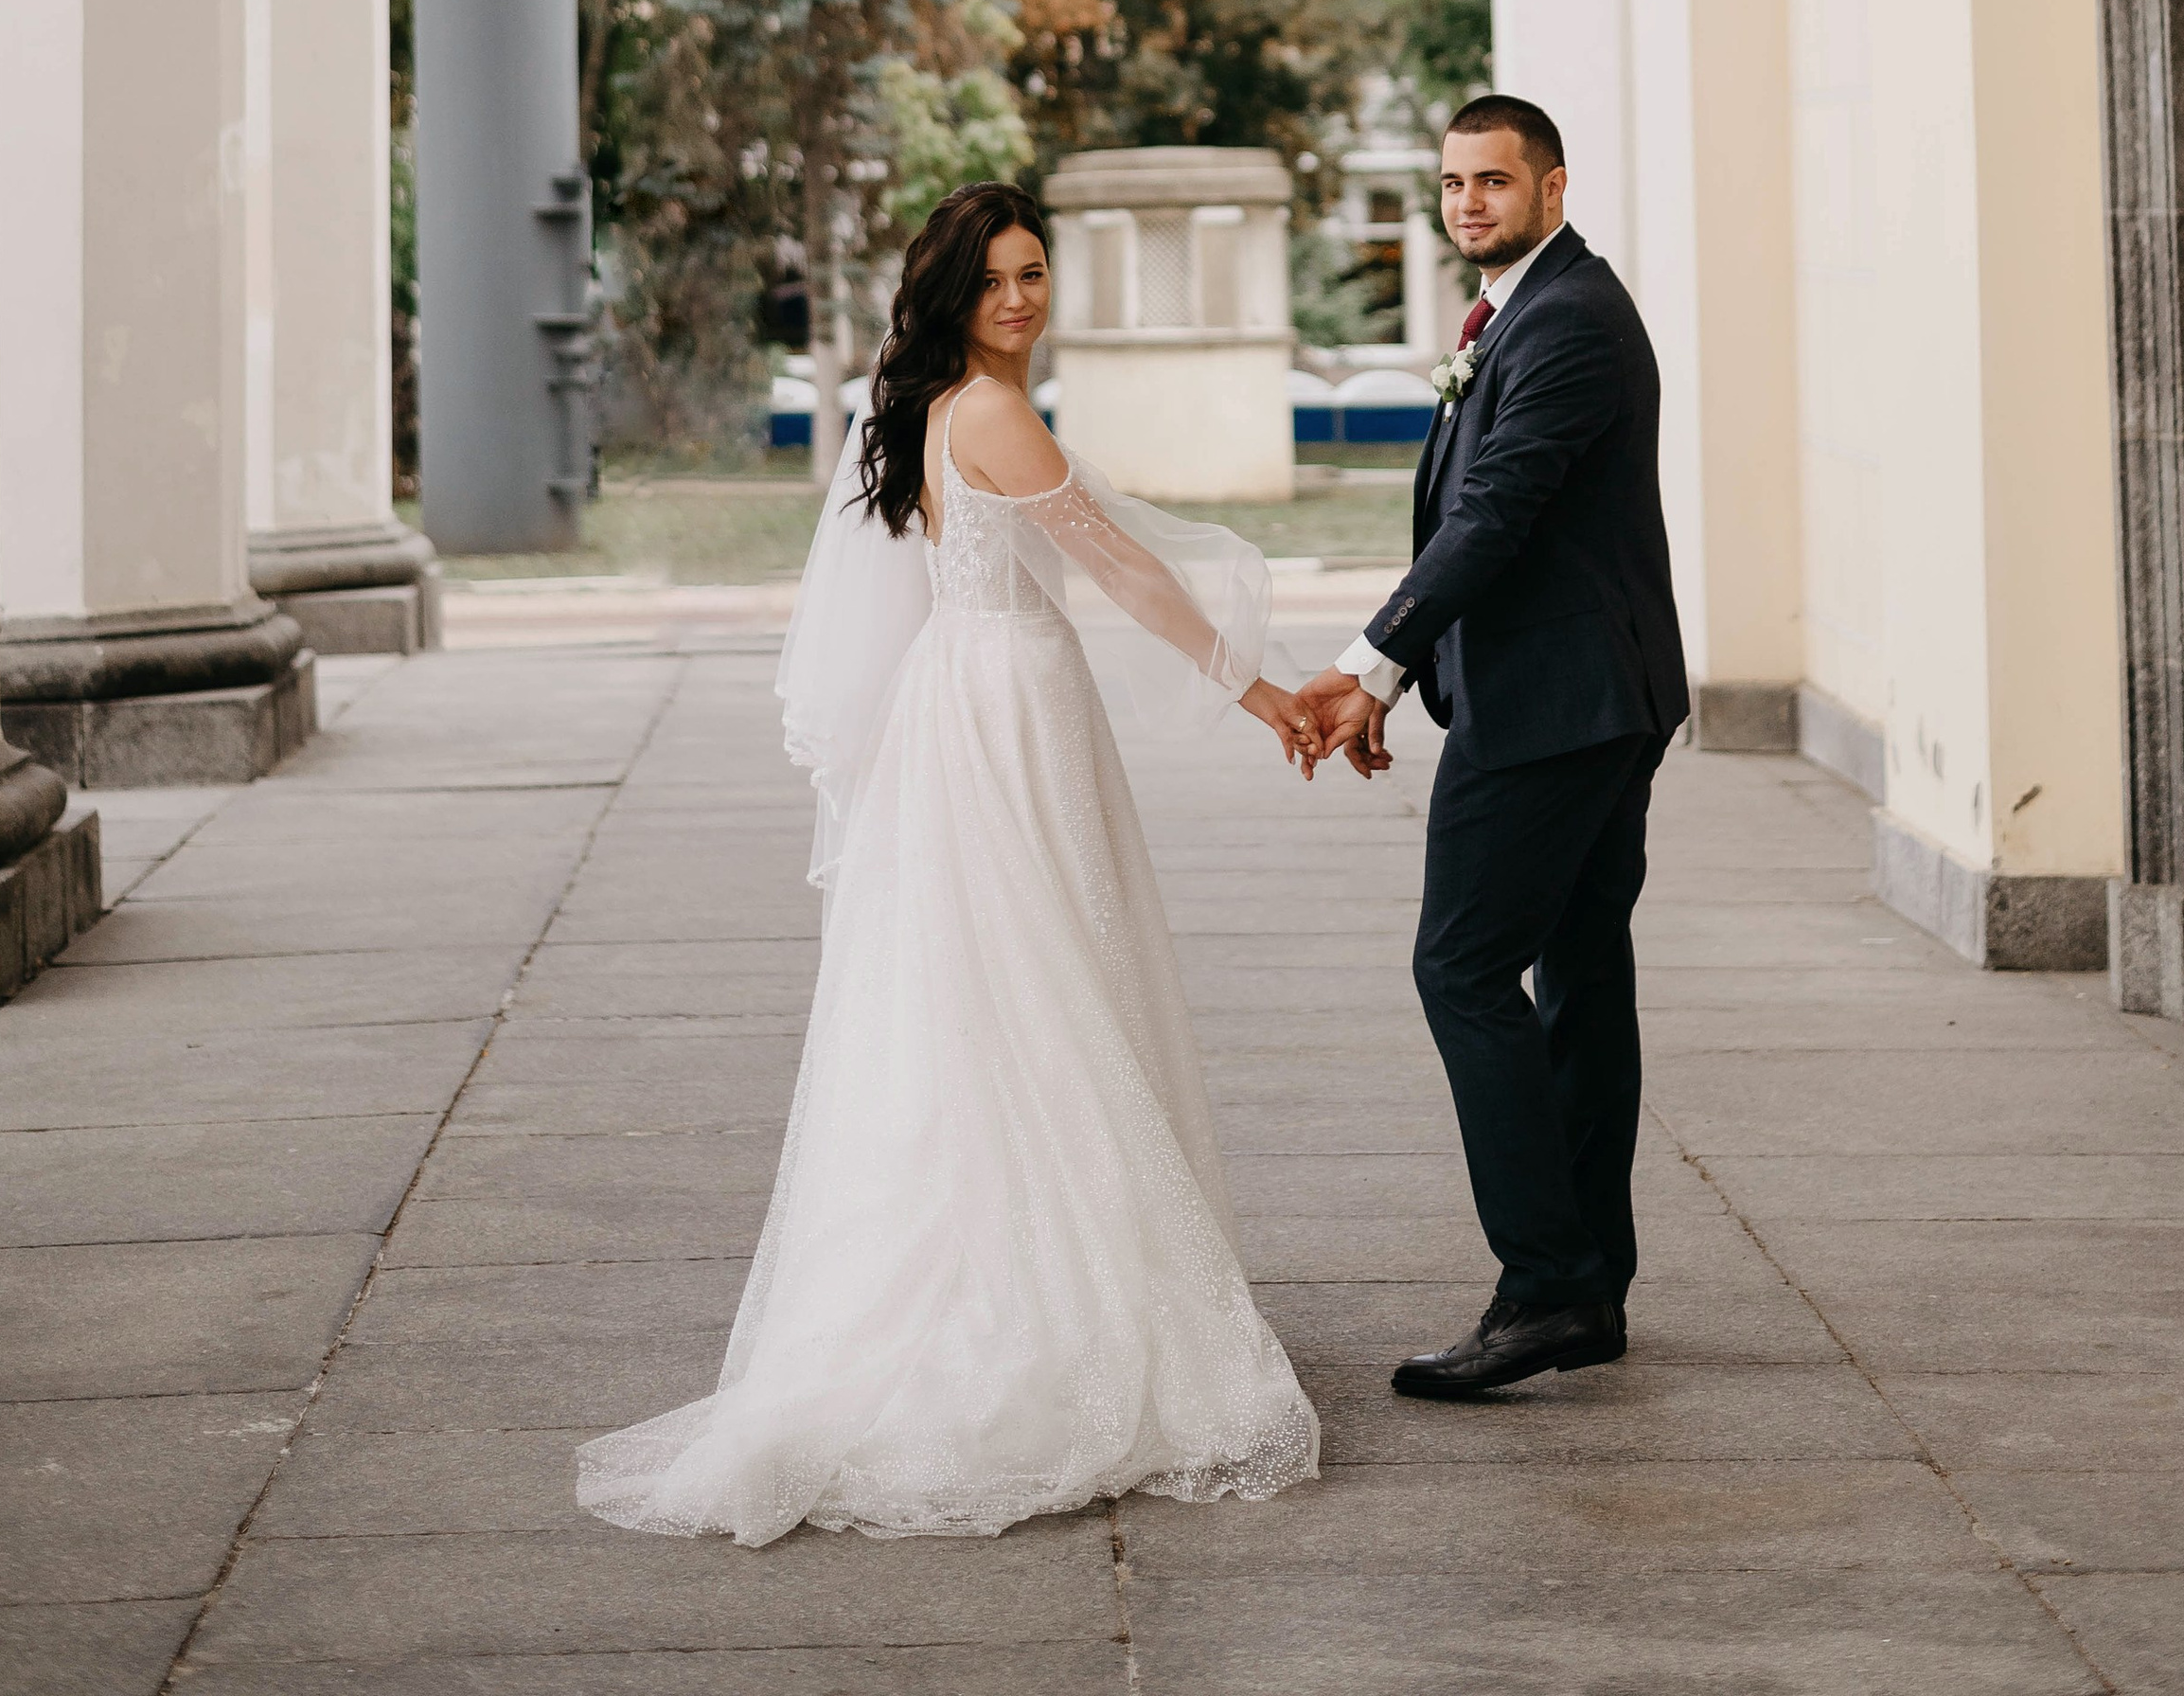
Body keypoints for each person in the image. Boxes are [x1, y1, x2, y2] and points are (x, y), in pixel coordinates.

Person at [577, 181, 1323, 1545]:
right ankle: (1048, 1310)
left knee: (990, 995)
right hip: (1004, 708)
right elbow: (1123, 568)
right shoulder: (986, 408)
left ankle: (1013, 1271)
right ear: (952, 297)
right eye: (995, 282)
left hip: (965, 698)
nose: (1022, 299)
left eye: (1035, 272)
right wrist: (1257, 688)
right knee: (1042, 991)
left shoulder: (928, 407)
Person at [1303, 94, 1688, 1401]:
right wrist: (1408, 668)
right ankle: (1590, 1281)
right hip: (1580, 696)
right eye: (1456, 182)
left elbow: (1496, 517)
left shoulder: (1568, 321)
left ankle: (1545, 1285)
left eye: (1495, 181)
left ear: (1555, 187)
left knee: (1462, 968)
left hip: (1558, 711)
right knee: (1579, 972)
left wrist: (1370, 663)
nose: (1470, 201)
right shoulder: (1524, 311)